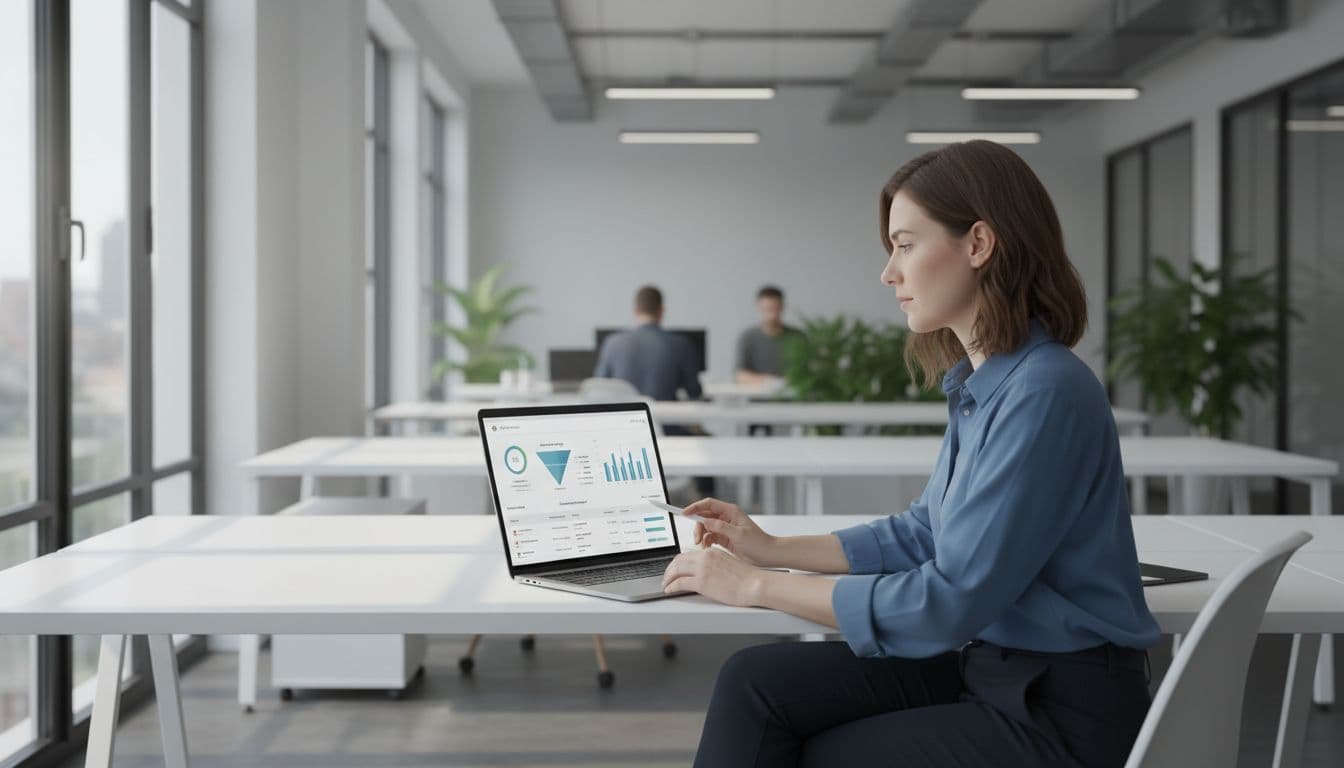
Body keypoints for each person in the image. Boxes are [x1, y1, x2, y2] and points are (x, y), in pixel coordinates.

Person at [661, 141, 1160, 767]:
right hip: (995, 665)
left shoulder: (1044, 391)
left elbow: (947, 602)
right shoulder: (989, 382)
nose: (888, 273)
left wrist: (756, 586)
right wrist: (772, 549)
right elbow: (923, 533)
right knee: (753, 683)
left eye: (904, 245)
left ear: (978, 244)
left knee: (819, 756)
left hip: (1059, 709)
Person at [594, 285, 702, 402]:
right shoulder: (681, 345)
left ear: (635, 311)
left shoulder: (612, 344)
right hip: (664, 413)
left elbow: (599, 387)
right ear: (661, 310)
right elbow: (694, 392)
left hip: (627, 413)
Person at [734, 286, 801, 387]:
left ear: (782, 307)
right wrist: (772, 382)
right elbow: (740, 375)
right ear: (758, 307)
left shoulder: (797, 337)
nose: (771, 314)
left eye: (775, 308)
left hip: (791, 394)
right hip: (756, 394)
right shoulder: (748, 337)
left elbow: (805, 372)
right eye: (767, 308)